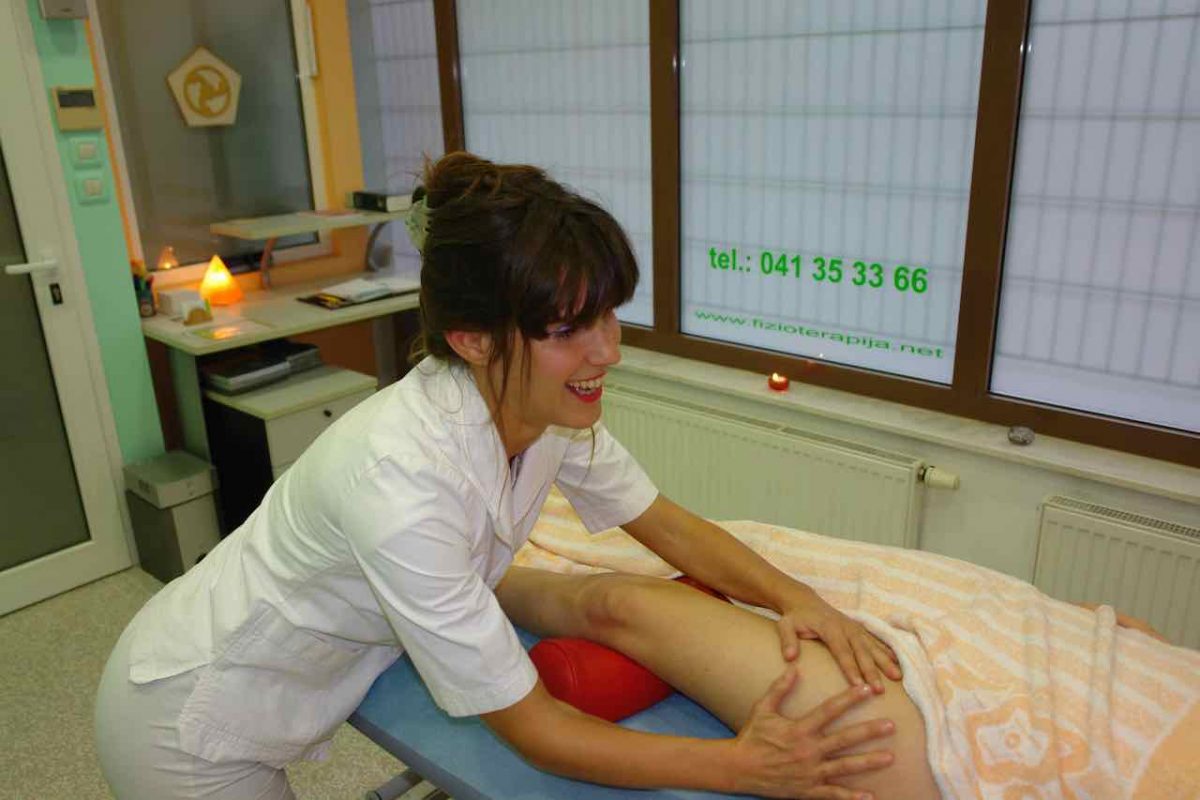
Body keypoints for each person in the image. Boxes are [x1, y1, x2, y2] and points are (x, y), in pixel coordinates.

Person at [94, 152, 901, 800]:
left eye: (609, 313)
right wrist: (742, 766)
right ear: (473, 338)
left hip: (296, 675)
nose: (609, 350)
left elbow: (664, 522)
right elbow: (537, 731)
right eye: (569, 329)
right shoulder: (402, 483)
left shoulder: (539, 409)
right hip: (192, 721)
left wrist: (797, 599)